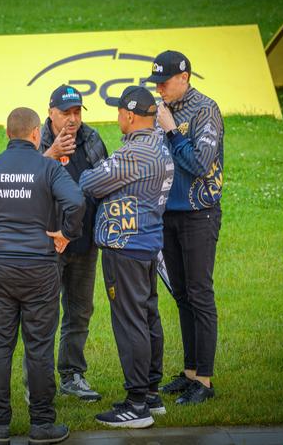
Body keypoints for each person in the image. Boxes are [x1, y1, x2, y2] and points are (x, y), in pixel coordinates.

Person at [0, 107, 85, 445]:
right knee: (38, 348)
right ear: (36, 134)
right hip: (40, 269)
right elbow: (77, 201)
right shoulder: (49, 168)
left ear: (8, 135)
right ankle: (42, 425)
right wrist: (66, 234)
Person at [80, 86, 174, 428]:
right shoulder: (158, 145)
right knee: (148, 316)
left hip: (126, 247)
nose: (117, 116)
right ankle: (150, 392)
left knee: (130, 321)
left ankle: (136, 406)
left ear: (130, 115)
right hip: (146, 244)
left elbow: (90, 181)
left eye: (119, 111)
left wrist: (101, 175)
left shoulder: (135, 154)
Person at [145, 50, 224, 405]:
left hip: (198, 212)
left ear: (185, 77)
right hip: (168, 213)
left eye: (164, 83)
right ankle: (191, 372)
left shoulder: (205, 110)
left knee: (199, 293)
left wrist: (172, 132)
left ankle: (204, 382)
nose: (159, 89)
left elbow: (201, 163)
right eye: (156, 83)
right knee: (180, 294)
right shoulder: (163, 111)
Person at [39, 85, 107, 401]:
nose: (73, 119)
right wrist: (50, 154)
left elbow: (107, 180)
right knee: (44, 313)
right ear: (51, 111)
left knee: (80, 311)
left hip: (83, 241)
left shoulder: (92, 139)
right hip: (48, 242)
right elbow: (21, 184)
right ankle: (38, 384)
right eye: (66, 112)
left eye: (77, 111)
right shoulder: (35, 140)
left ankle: (72, 374)